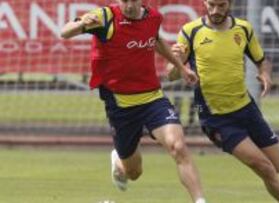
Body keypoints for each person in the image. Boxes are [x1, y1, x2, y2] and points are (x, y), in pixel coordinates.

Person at [60, 1, 207, 203]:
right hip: (121, 106)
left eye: (133, 0)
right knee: (134, 173)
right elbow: (65, 32)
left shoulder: (153, 17)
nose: (128, 5)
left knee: (178, 147)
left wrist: (181, 68)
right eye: (124, 0)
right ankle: (119, 161)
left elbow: (156, 40)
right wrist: (80, 24)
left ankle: (200, 200)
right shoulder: (105, 16)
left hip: (153, 99)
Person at [168, 0, 279, 202]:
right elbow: (171, 75)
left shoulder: (243, 29)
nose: (215, 11)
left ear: (230, 4)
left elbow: (262, 61)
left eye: (221, 5)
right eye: (211, 5)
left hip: (246, 109)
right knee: (265, 168)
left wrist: (265, 74)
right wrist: (178, 63)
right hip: (216, 118)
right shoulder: (190, 31)